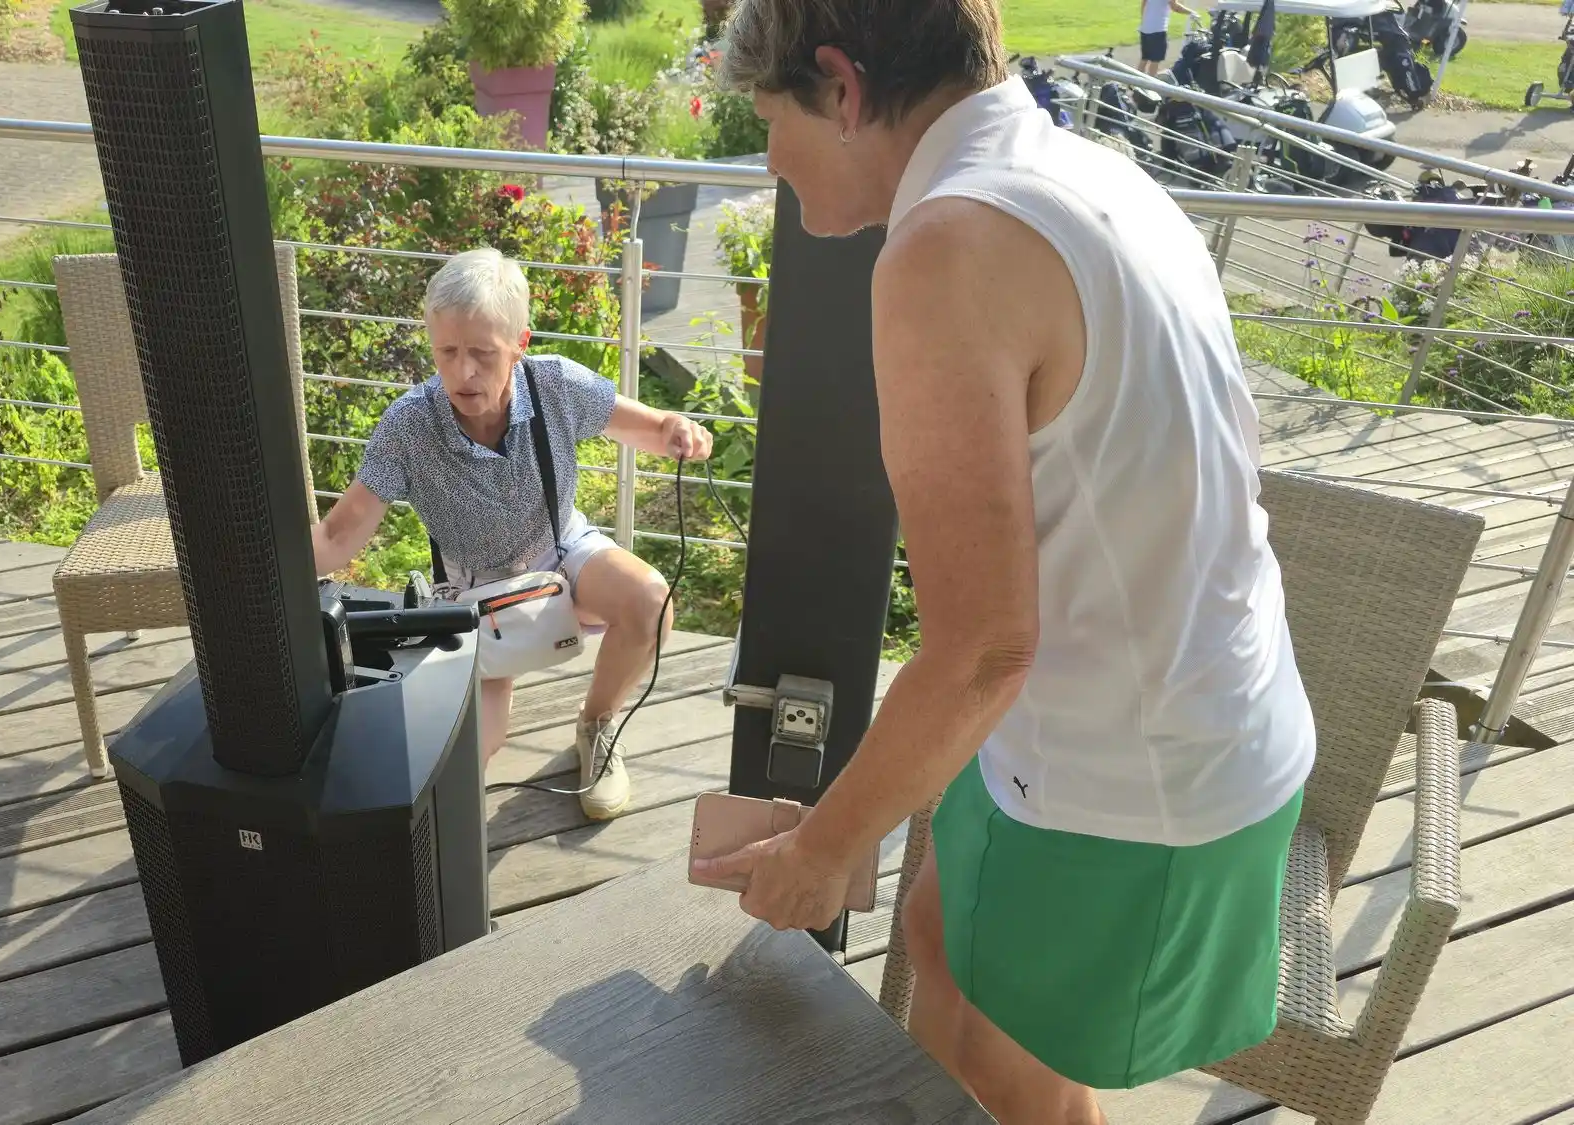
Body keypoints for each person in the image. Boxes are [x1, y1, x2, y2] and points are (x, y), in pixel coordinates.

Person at [693, 2, 1315, 1122]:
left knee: (1003, 1076)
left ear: (841, 86)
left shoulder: (945, 248)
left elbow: (983, 650)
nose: (768, 158)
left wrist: (823, 850)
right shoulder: (1092, 173)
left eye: (767, 117)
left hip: (1131, 780)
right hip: (1136, 722)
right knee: (936, 936)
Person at [311, 248, 714, 821]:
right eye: (447, 352)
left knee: (651, 601)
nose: (463, 373)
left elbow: (651, 428)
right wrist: (262, 576)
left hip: (560, 549)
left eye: (482, 353)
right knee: (468, 752)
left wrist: (678, 428)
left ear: (520, 343)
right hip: (472, 591)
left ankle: (596, 725)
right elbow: (337, 535)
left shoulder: (554, 384)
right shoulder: (408, 424)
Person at [1139, 0, 1197, 75]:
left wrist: (1145, 21)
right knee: (1155, 61)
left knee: (1144, 59)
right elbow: (1175, 7)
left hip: (1145, 29)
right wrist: (1192, 12)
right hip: (1158, 30)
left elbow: (1144, 3)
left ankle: (1135, 81)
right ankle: (1151, 80)